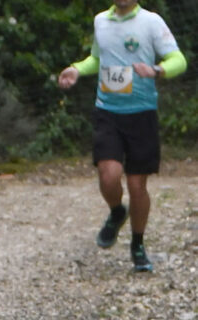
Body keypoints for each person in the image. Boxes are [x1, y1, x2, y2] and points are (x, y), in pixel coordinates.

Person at [58, 0, 187, 272]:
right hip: (108, 111)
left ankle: (137, 244)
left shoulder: (151, 22)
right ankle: (117, 210)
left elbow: (179, 60)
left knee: (137, 185)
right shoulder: (100, 21)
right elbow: (97, 59)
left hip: (142, 113)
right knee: (108, 175)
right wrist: (77, 69)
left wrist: (157, 70)